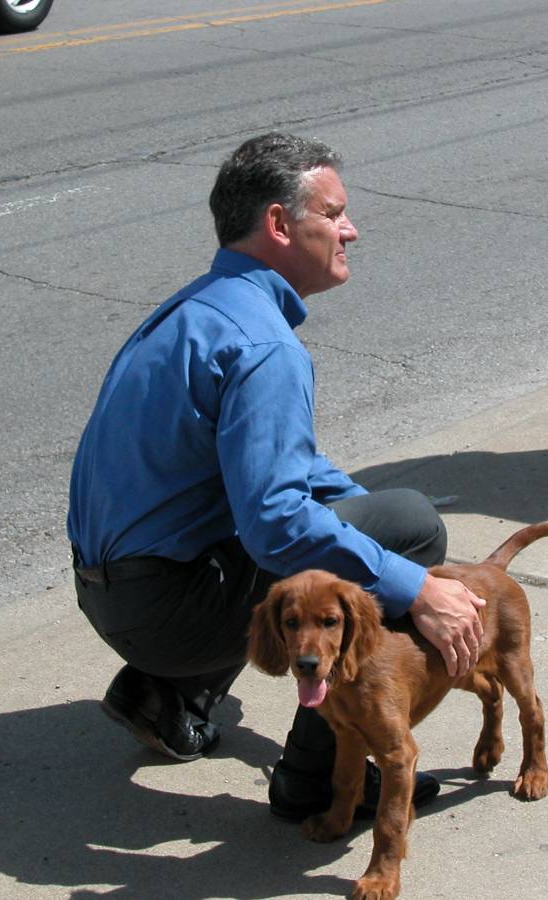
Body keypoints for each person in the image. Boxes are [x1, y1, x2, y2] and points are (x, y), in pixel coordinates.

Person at [67, 132, 485, 821]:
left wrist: (357, 512)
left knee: (357, 526)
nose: (350, 229)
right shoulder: (265, 347)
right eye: (333, 213)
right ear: (278, 223)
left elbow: (286, 474)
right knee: (409, 529)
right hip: (164, 608)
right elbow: (279, 524)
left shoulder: (198, 309)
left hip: (114, 592)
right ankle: (315, 780)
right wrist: (413, 583)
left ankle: (167, 694)